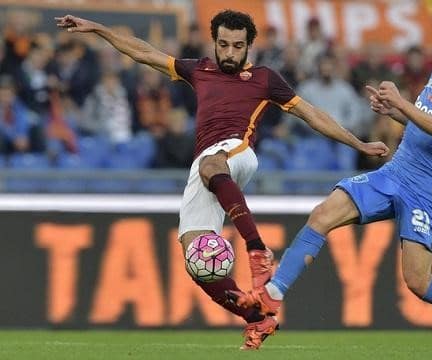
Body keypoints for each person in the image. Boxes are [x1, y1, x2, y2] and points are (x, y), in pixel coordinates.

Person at [55, 10, 388, 350]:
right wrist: (98, 28)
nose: (230, 53)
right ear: (214, 42)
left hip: (236, 151)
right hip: (207, 164)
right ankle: (258, 318)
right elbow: (142, 52)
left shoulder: (264, 78)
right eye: (224, 45)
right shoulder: (199, 70)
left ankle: (257, 251)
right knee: (195, 259)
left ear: (249, 47)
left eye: (238, 46)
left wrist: (358, 144)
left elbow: (312, 114)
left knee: (213, 162)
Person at [229, 26, 432, 351]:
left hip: (429, 193)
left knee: (417, 281)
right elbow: (422, 124)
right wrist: (393, 111)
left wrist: (401, 101)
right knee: (323, 213)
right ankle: (273, 296)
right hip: (394, 174)